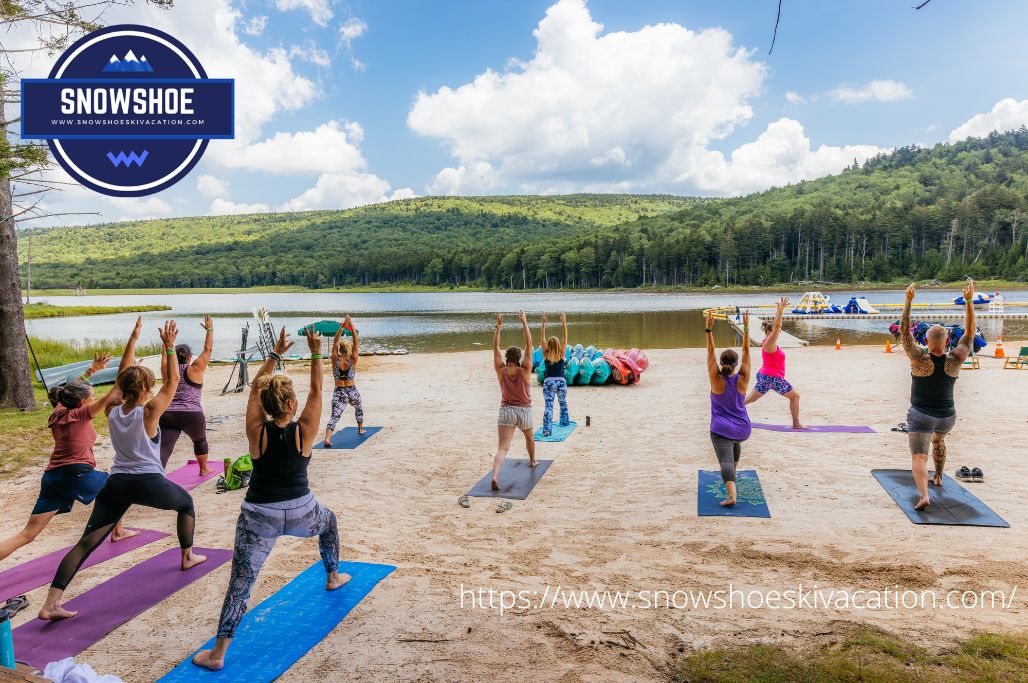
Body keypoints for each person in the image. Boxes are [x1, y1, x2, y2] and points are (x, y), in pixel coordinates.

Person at [192, 326, 349, 671]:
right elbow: (318, 388)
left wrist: (275, 356)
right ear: (291, 404)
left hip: (258, 515)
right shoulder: (304, 428)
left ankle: (218, 654)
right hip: (301, 511)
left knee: (241, 582)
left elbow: (252, 392)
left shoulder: (256, 430)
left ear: (264, 404)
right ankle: (333, 576)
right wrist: (315, 352)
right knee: (329, 522)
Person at [38, 318, 207, 621]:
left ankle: (51, 603)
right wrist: (168, 346)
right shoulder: (151, 411)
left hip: (116, 484)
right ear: (145, 389)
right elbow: (173, 383)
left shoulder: (112, 409)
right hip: (147, 481)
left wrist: (133, 338)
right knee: (186, 504)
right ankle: (187, 556)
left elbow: (122, 377)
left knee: (87, 542)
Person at [0, 354, 137, 563]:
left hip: (52, 478)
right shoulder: (82, 414)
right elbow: (115, 392)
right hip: (76, 474)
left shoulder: (59, 410)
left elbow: (73, 387)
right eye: (91, 396)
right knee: (118, 485)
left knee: (28, 534)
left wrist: (92, 369)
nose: (93, 398)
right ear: (82, 402)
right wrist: (131, 365)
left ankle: (118, 530)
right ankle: (118, 531)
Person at [901, 279, 975, 511]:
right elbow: (970, 334)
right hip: (947, 417)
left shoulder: (918, 358)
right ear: (947, 342)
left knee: (919, 458)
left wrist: (908, 301)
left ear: (925, 341)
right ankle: (939, 476)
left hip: (922, 415)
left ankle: (924, 495)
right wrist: (969, 301)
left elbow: (904, 332)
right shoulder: (956, 359)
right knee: (939, 440)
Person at [705, 311, 752, 507]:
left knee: (724, 458)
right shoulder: (742, 379)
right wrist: (747, 328)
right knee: (733, 442)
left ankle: (732, 495)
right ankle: (732, 475)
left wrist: (709, 328)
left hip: (721, 428)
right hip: (743, 429)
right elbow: (747, 351)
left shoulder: (716, 379)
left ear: (721, 364)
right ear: (735, 365)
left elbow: (710, 352)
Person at [159, 315, 215, 474]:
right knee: (200, 439)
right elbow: (208, 349)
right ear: (189, 357)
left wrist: (167, 342)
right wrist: (209, 329)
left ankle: (156, 473)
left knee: (164, 448)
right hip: (192, 414)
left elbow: (165, 356)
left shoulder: (168, 371)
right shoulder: (195, 368)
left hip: (168, 414)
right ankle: (203, 469)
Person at [490, 311, 536, 490]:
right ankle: (533, 461)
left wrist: (499, 326)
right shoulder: (525, 370)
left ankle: (495, 476)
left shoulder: (500, 370)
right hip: (524, 410)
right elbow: (530, 344)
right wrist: (524, 323)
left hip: (506, 411)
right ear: (519, 358)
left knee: (503, 448)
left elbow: (495, 348)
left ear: (507, 358)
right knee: (529, 437)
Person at [745, 297, 804, 429]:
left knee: (749, 399)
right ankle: (796, 424)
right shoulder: (769, 343)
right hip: (772, 377)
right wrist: (781, 310)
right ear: (769, 332)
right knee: (795, 397)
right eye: (776, 332)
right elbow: (777, 326)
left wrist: (778, 310)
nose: (778, 333)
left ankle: (731, 413)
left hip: (764, 376)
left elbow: (776, 326)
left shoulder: (767, 343)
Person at [324, 315, 364, 446]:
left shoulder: (335, 359)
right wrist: (350, 324)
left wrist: (341, 327)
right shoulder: (353, 360)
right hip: (351, 390)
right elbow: (356, 340)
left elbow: (335, 342)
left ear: (340, 350)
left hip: (339, 392)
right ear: (349, 350)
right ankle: (360, 429)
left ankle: (327, 439)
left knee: (335, 416)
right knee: (358, 406)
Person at [539, 312, 570, 437]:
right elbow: (565, 339)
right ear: (558, 345)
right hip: (561, 382)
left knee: (549, 406)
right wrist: (564, 323)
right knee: (562, 403)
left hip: (548, 383)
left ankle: (547, 429)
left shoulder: (546, 354)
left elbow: (542, 339)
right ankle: (564, 422)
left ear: (549, 346)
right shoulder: (562, 354)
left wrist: (543, 323)